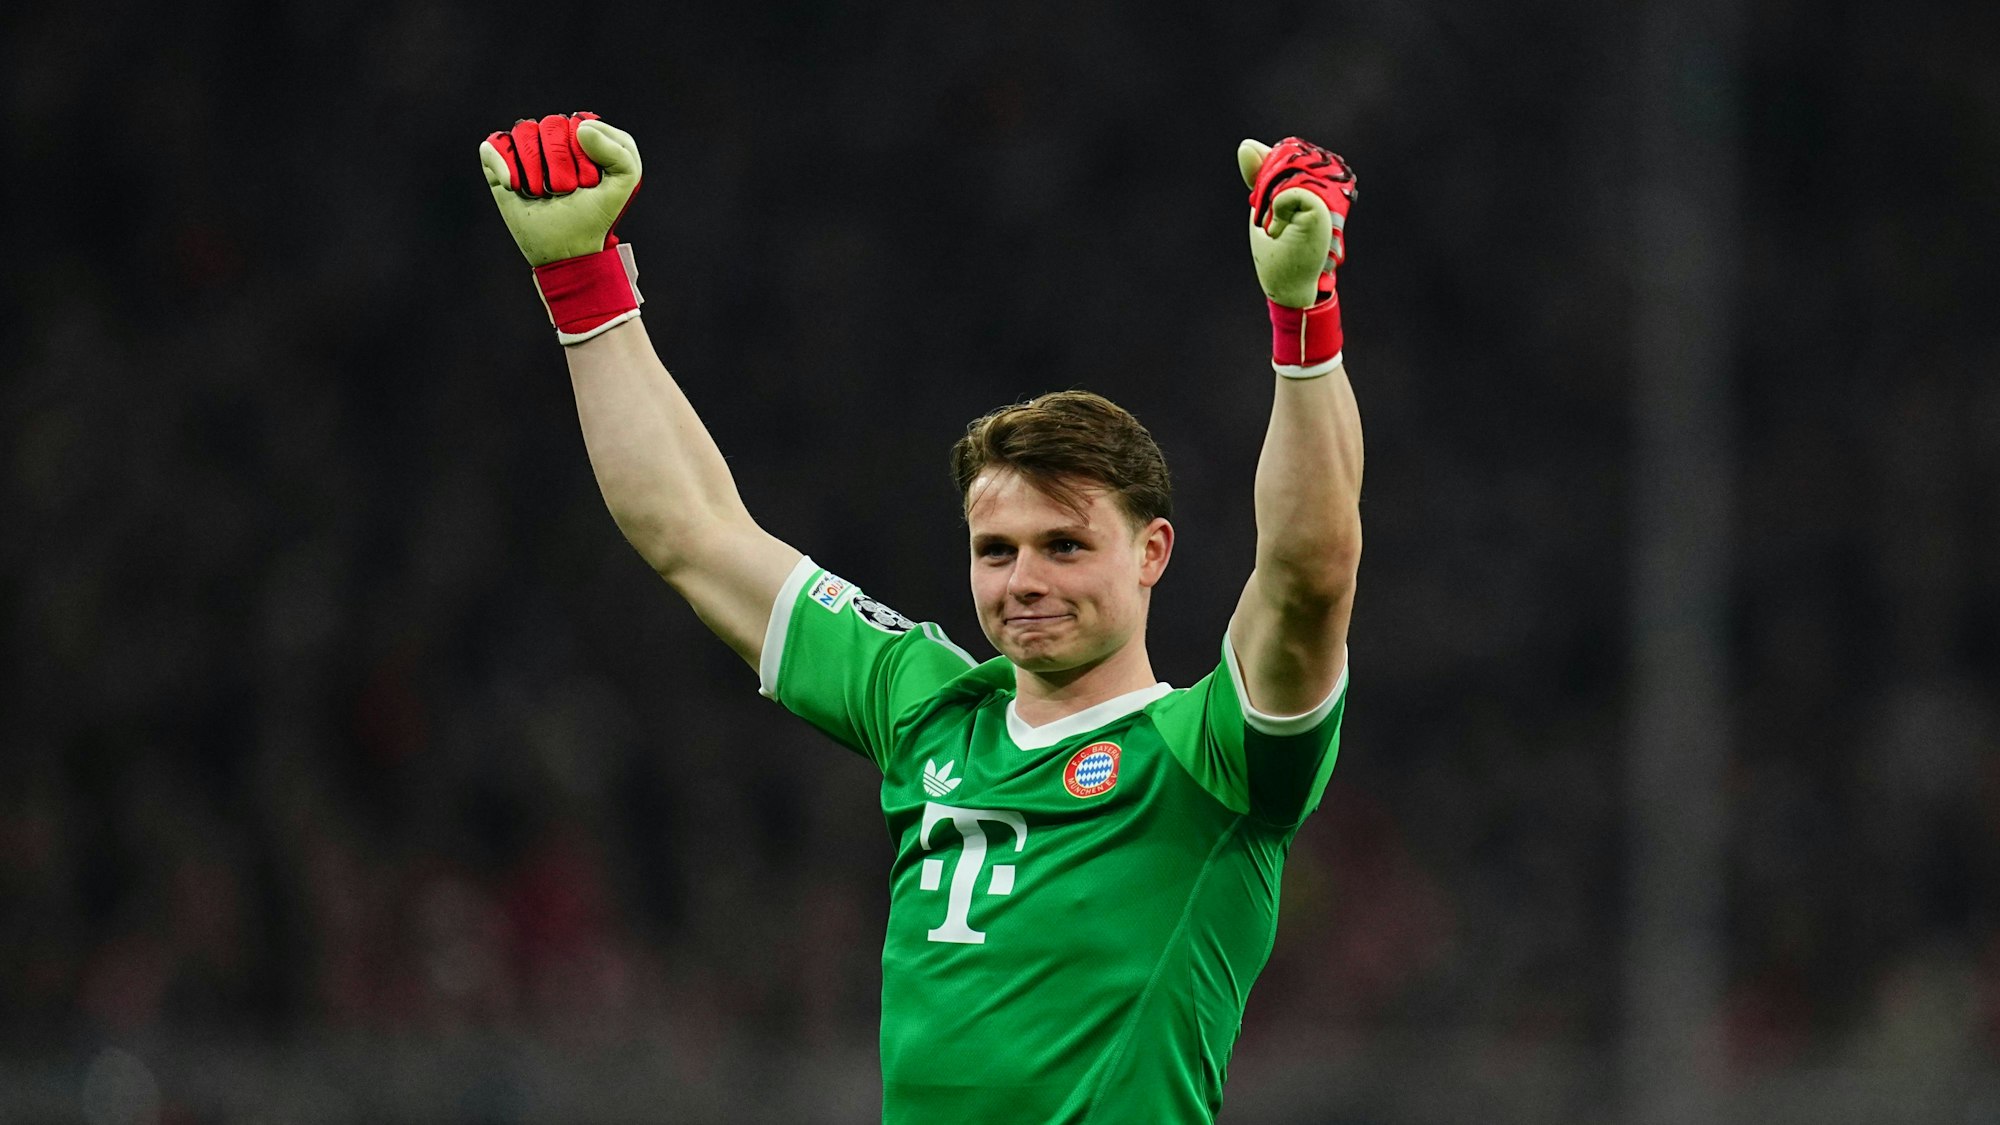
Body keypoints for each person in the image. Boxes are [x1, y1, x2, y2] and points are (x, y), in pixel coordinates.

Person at [479, 112, 1363, 1124]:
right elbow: (692, 531)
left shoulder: (1213, 756)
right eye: (997, 551)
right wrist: (583, 287)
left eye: (1064, 546)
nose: (1023, 579)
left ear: (1151, 552)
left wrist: (1305, 324)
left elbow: (1309, 574)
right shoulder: (928, 707)